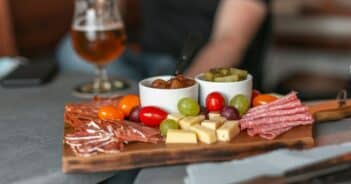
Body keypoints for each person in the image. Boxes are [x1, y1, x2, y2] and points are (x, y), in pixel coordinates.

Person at [57, 0, 270, 89]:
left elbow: (229, 40)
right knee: (71, 51)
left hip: (202, 73)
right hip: (146, 64)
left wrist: (182, 87)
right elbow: (108, 10)